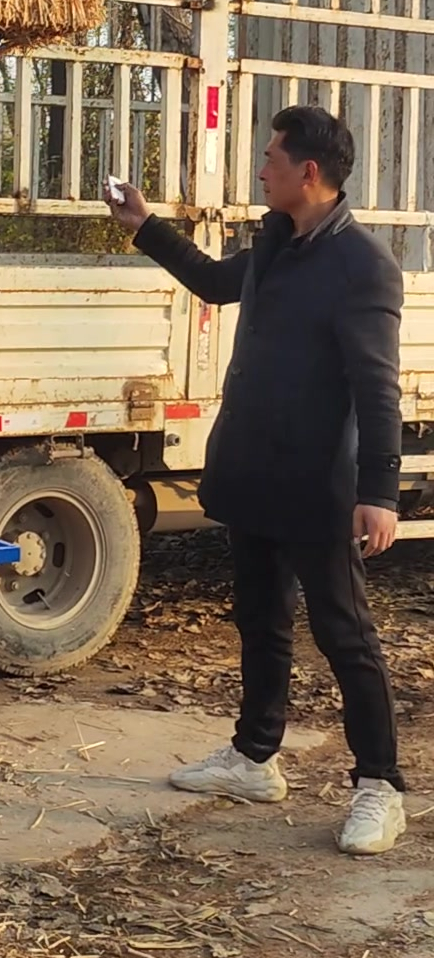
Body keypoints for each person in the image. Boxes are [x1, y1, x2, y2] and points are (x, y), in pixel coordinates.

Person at [106, 105, 405, 855]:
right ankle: (254, 758)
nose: (261, 167)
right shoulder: (277, 243)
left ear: (309, 172)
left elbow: (378, 390)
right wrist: (144, 226)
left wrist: (380, 492)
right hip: (252, 471)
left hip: (317, 486)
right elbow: (211, 283)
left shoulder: (363, 267)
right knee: (259, 621)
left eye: (271, 157)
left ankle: (380, 785)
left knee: (344, 634)